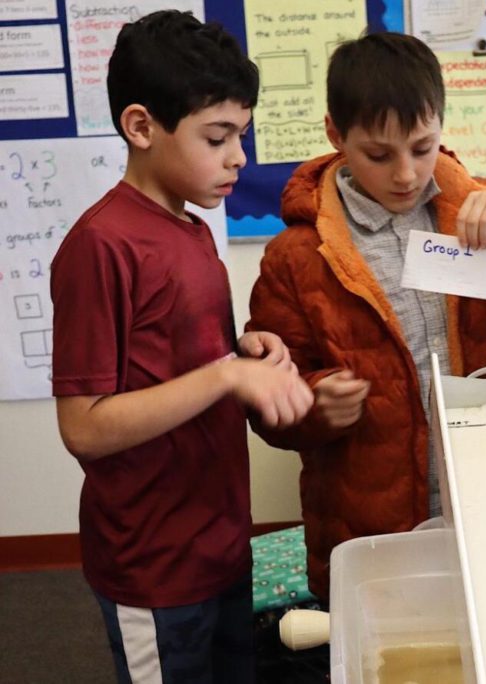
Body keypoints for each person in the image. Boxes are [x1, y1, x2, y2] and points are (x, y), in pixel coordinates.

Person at [246, 31, 486, 601]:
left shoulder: (482, 210)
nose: (406, 173)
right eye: (379, 154)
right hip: (374, 524)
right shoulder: (297, 259)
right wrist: (313, 401)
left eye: (423, 147)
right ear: (336, 135)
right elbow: (271, 402)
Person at [50, 10, 313, 683]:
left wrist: (243, 351)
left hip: (221, 542)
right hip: (154, 565)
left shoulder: (194, 233)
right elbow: (84, 426)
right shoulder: (100, 246)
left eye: (242, 136)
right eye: (217, 137)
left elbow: (183, 364)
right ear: (142, 127)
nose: (238, 158)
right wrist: (226, 377)